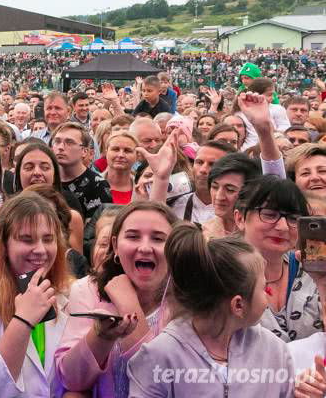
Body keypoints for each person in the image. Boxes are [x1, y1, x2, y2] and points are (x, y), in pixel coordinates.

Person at [126, 224, 293, 397]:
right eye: (264, 289)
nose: (267, 296)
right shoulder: (159, 357)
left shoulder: (273, 350)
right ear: (238, 305)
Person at [55, 201, 179, 396]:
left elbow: (161, 380)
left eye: (157, 238)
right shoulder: (87, 289)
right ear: (115, 246)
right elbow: (71, 379)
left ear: (175, 248)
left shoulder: (188, 299)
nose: (145, 247)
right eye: (133, 237)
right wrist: (100, 337)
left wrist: (129, 305)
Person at [0, 192, 71, 397]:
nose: (40, 250)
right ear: (4, 245)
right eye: (26, 240)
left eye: (48, 239)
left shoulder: (67, 293)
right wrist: (23, 321)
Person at [233, 175, 323, 342]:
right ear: (240, 218)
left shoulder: (310, 270)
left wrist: (323, 284)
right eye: (269, 214)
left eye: (293, 218)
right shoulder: (221, 274)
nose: (282, 227)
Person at [52, 122, 113, 221]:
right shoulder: (47, 179)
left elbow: (98, 229)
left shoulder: (98, 185)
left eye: (69, 142)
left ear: (84, 151)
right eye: (57, 141)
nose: (61, 147)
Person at [201, 153, 261, 240]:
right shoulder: (202, 233)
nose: (219, 197)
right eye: (215, 187)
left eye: (230, 190)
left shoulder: (260, 238)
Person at [103, 133, 137, 205]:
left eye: (127, 150)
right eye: (115, 149)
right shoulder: (91, 184)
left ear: (137, 155)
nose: (121, 155)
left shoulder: (143, 188)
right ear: (106, 153)